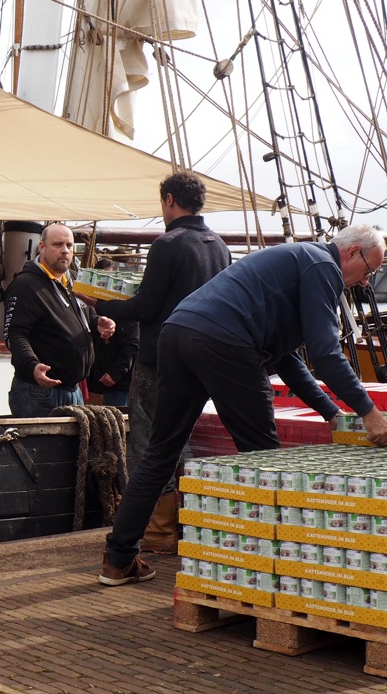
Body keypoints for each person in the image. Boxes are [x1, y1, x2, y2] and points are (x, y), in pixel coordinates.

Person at [97, 224, 387, 586]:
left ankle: (118, 560)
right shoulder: (323, 267)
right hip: (224, 342)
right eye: (368, 271)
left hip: (176, 333)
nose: (365, 282)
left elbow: (287, 359)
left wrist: (330, 411)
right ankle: (280, 574)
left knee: (161, 452)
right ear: (351, 253)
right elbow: (326, 353)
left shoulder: (299, 260)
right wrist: (369, 411)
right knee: (264, 459)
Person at [77, 172, 231, 552]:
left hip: (161, 357)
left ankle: (158, 531)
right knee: (182, 438)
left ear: (169, 200)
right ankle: (187, 522)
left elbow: (146, 306)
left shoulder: (168, 244)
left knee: (149, 441)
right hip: (203, 359)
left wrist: (104, 304)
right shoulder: (220, 247)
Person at [4, 223, 116, 418]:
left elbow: (86, 314)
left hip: (74, 391)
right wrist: (32, 366)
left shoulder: (73, 280)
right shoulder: (25, 286)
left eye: (69, 245)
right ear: (42, 247)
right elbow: (15, 333)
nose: (65, 251)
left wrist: (98, 322)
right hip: (39, 393)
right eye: (58, 245)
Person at [85, 258, 138, 408]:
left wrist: (116, 373)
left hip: (117, 383)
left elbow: (132, 345)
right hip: (95, 382)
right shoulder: (89, 308)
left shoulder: (125, 307)